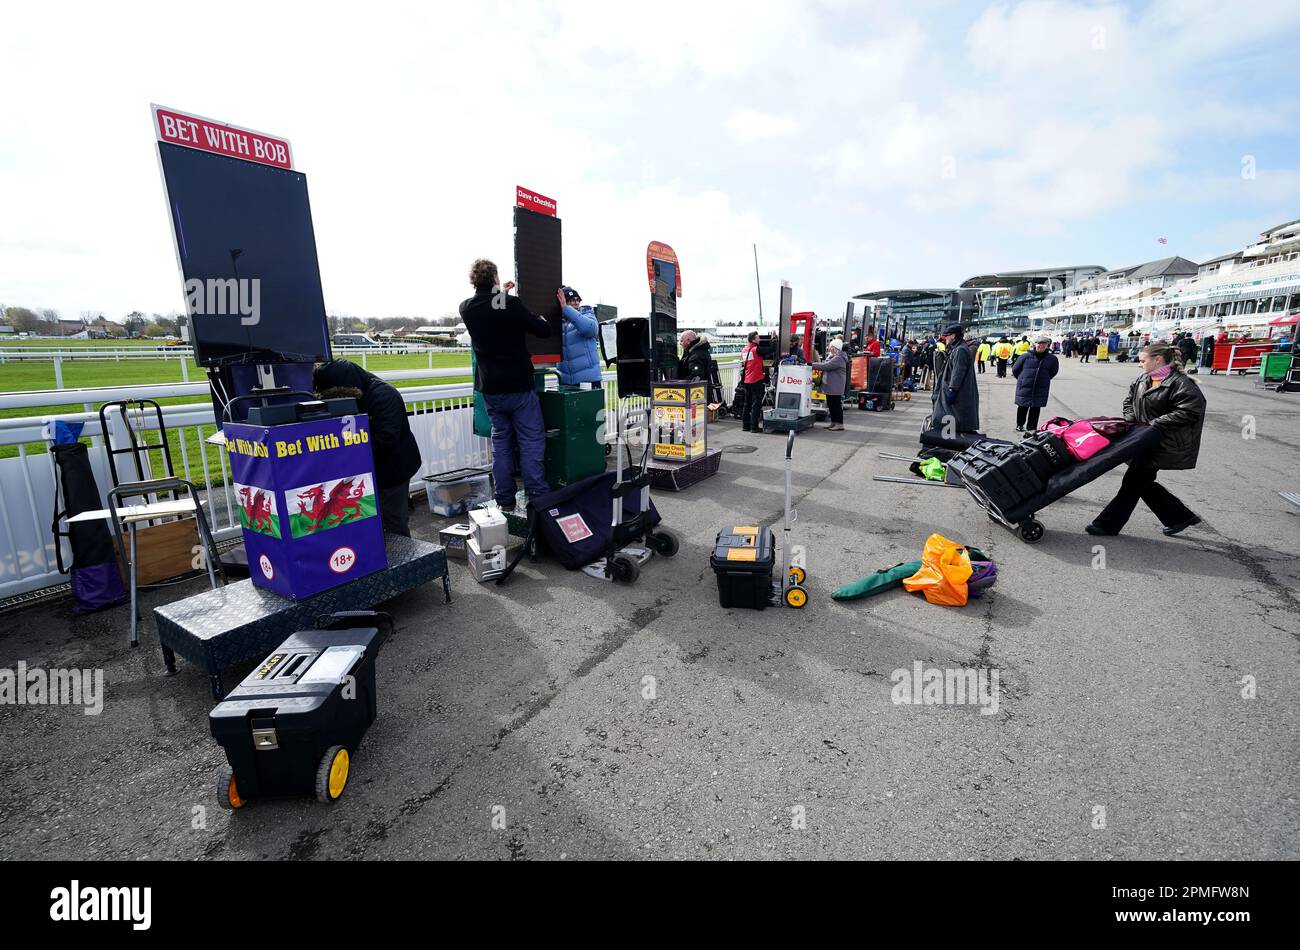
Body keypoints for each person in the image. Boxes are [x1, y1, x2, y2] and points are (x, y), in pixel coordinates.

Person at [459, 259, 552, 510]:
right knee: (531, 442)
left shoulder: (466, 308)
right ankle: (538, 496)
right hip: (519, 388)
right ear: (495, 278)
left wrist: (501, 295)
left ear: (474, 280)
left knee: (501, 447)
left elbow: (489, 310)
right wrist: (540, 316)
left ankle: (505, 499)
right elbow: (542, 330)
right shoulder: (511, 304)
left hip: (491, 391)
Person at [1087, 342, 1205, 537]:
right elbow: (1129, 401)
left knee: (1133, 483)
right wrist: (1132, 420)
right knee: (1141, 483)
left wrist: (1154, 424)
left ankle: (1106, 525)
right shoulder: (1144, 379)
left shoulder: (1181, 384)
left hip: (1162, 442)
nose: (1139, 364)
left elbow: (1190, 411)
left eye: (1143, 360)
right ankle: (1179, 517)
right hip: (1141, 439)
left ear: (1157, 360)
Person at [313, 359, 422, 537]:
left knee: (393, 520)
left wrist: (348, 454)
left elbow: (386, 438)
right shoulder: (362, 393)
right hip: (369, 469)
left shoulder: (384, 395)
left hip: (393, 470)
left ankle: (404, 559)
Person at [932, 324, 979, 433]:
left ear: (953, 336)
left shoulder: (960, 350)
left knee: (955, 417)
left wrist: (952, 389)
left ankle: (955, 436)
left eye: (947, 336)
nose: (945, 338)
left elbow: (958, 372)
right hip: (958, 389)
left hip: (959, 392)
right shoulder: (958, 348)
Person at [1011, 335, 1059, 433]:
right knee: (1022, 407)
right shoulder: (1025, 356)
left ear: (1047, 346)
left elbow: (1053, 371)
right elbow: (1015, 369)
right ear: (1034, 345)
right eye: (1039, 344)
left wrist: (1044, 379)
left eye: (1043, 344)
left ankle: (1031, 428)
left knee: (1036, 408)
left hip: (1040, 387)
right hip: (1025, 385)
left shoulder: (1052, 359)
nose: (1041, 346)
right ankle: (1020, 425)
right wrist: (1022, 379)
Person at [556, 286, 601, 385]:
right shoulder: (558, 322)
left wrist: (566, 309)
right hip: (566, 381)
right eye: (571, 300)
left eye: (578, 300)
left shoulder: (587, 314)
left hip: (588, 380)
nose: (576, 302)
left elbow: (591, 329)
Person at [811, 338, 849, 431]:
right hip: (832, 385)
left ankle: (839, 424)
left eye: (831, 346)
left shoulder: (839, 358)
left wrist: (811, 365)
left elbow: (826, 366)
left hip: (835, 385)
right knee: (831, 404)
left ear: (835, 347)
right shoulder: (834, 356)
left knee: (836, 405)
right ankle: (834, 422)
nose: (829, 348)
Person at [675, 329, 716, 402]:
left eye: (681, 341)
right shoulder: (698, 350)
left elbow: (696, 376)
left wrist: (680, 383)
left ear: (688, 341)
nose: (680, 343)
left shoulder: (696, 355)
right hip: (703, 392)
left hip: (697, 395)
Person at [740, 331, 767, 432]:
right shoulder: (756, 349)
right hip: (756, 378)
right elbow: (770, 350)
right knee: (756, 403)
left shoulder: (744, 350)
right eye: (758, 338)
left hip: (747, 379)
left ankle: (745, 425)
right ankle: (754, 426)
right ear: (754, 339)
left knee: (747, 403)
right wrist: (774, 340)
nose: (760, 339)